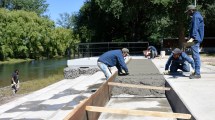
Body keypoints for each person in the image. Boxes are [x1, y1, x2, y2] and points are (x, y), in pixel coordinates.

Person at [185, 5, 204, 79]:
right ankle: (196, 71)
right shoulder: (197, 15)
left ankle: (197, 73)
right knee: (194, 55)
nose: (188, 13)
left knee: (196, 56)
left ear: (191, 10)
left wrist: (191, 39)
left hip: (195, 39)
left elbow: (194, 29)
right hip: (195, 38)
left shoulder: (195, 17)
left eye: (188, 12)